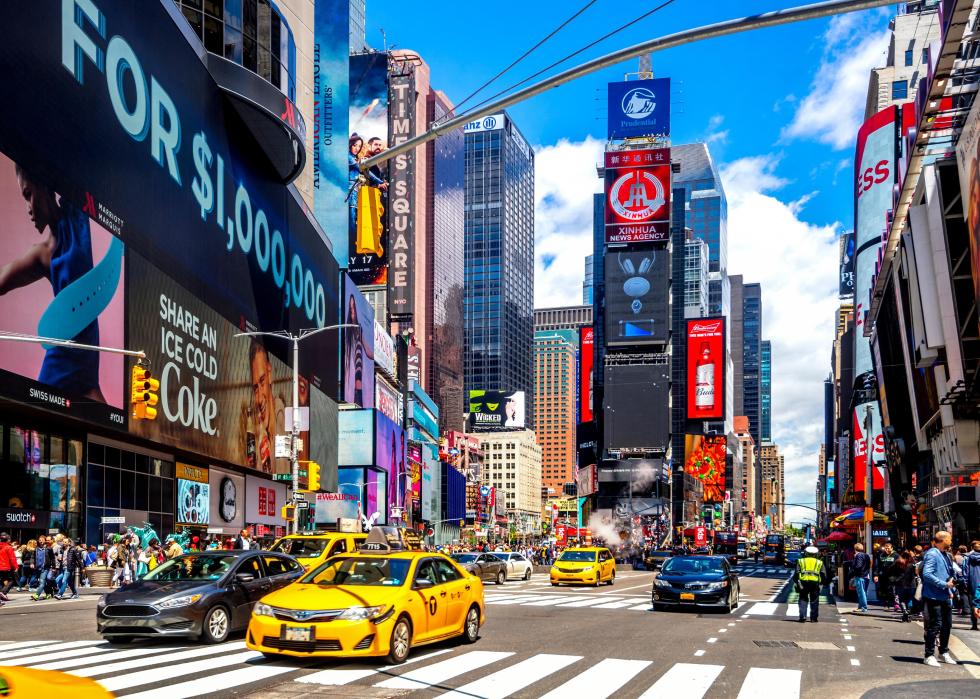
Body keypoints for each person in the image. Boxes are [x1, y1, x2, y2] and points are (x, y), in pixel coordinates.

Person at [0, 164, 111, 402]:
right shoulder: (43, 254)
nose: (28, 209)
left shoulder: (76, 210)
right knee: (34, 433)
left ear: (45, 184)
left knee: (117, 430)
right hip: (60, 368)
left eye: (29, 194)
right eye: (24, 198)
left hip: (87, 374)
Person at [921, 531, 958, 667]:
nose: (951, 540)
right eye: (949, 538)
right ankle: (929, 655)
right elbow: (927, 574)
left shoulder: (945, 555)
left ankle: (943, 652)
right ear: (943, 540)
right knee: (935, 625)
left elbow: (948, 573)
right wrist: (944, 584)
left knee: (946, 625)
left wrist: (951, 586)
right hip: (933, 596)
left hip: (944, 595)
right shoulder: (932, 553)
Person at [793, 546, 829, 622]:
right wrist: (822, 583)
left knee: (803, 599)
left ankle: (802, 616)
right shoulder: (819, 562)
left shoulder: (801, 561)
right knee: (814, 600)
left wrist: (796, 581)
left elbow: (796, 573)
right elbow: (823, 574)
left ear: (806, 553)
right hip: (815, 583)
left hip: (803, 583)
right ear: (816, 554)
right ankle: (814, 618)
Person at [892, 550, 918, 623]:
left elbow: (893, 572)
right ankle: (908, 615)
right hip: (911, 584)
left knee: (902, 600)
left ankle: (905, 612)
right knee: (909, 599)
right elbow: (916, 573)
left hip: (901, 584)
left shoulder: (898, 562)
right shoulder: (913, 563)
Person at [874, 542, 899, 610]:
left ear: (892, 548)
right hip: (883, 576)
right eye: (885, 548)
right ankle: (886, 604)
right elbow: (877, 566)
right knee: (884, 591)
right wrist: (876, 575)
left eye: (888, 548)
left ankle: (895, 604)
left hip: (892, 576)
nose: (887, 549)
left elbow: (899, 565)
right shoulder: (881, 555)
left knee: (892, 590)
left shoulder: (896, 555)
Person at [850, 543, 872, 613]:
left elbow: (858, 566)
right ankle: (860, 606)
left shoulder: (858, 556)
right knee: (864, 592)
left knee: (861, 592)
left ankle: (863, 607)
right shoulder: (866, 555)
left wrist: (853, 571)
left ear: (855, 549)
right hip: (866, 576)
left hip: (860, 576)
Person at [964, 540, 980, 631]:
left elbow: (965, 571)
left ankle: (974, 624)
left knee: (973, 603)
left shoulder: (968, 557)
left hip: (973, 582)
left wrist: (966, 583)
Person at [0, 533, 18, 603]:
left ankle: (2, 596)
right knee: (12, 580)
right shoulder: (8, 547)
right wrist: (16, 567)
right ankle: (3, 592)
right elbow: (12, 558)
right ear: (7, 540)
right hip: (6, 567)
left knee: (2, 581)